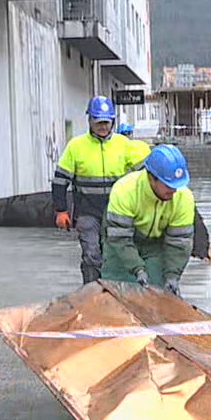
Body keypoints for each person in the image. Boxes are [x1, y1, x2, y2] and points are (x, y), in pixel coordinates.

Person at [52, 96, 140, 283]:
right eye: (98, 122)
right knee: (92, 254)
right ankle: (91, 292)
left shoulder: (124, 145)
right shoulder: (76, 146)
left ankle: (115, 293)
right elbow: (60, 181)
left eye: (106, 122)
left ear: (113, 122)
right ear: (90, 120)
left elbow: (144, 175)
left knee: (117, 256)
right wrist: (61, 210)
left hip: (117, 211)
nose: (102, 127)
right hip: (87, 212)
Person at [101, 144, 196, 296]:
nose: (173, 190)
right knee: (117, 292)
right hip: (120, 242)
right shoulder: (125, 190)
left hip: (155, 243)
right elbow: (120, 239)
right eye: (168, 185)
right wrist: (137, 269)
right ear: (151, 178)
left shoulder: (184, 197)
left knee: (158, 292)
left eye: (177, 185)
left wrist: (172, 276)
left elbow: (180, 243)